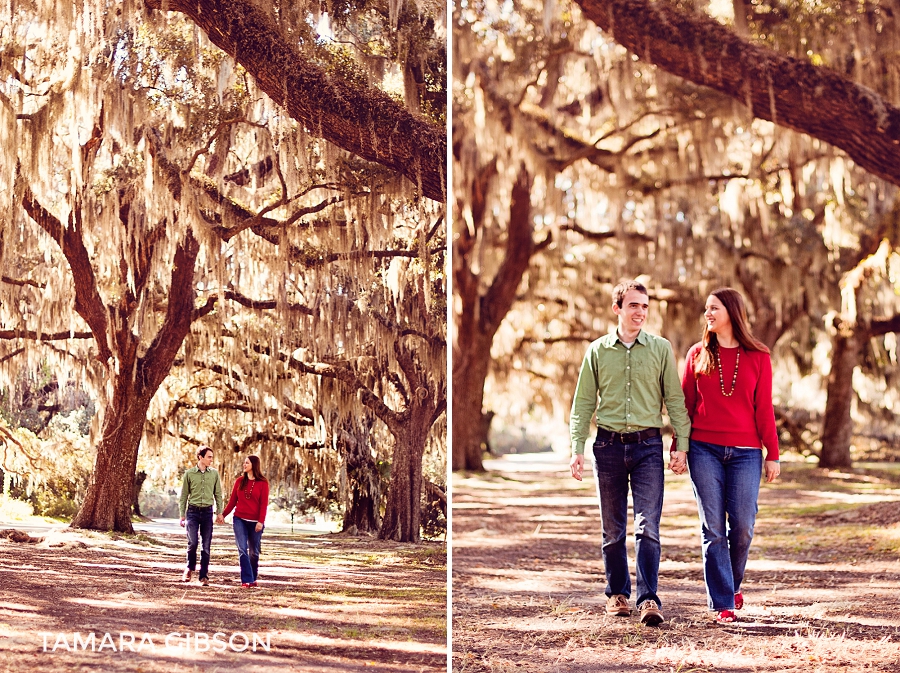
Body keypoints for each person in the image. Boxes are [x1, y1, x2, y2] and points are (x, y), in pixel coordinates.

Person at [569, 280, 691, 626]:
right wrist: (577, 448)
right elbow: (582, 405)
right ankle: (618, 595)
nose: (640, 312)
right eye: (633, 305)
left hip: (648, 447)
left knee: (648, 526)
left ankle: (649, 599)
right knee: (612, 530)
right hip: (607, 447)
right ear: (617, 309)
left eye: (645, 306)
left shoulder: (661, 349)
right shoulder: (597, 351)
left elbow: (675, 401)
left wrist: (681, 444)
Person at [681, 287, 780, 624]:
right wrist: (679, 446)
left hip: (746, 453)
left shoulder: (759, 356)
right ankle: (723, 601)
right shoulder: (697, 354)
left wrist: (773, 453)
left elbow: (763, 408)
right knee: (713, 528)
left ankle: (732, 584)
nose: (708, 314)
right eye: (706, 309)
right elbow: (685, 407)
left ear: (732, 312)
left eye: (715, 308)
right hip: (703, 449)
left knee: (743, 526)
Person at [179, 446, 225, 586]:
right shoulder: (189, 474)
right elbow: (184, 496)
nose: (211, 459)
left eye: (212, 457)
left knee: (206, 545)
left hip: (207, 513)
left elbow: (218, 494)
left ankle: (203, 576)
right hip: (192, 512)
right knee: (192, 543)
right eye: (209, 457)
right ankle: (189, 568)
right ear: (201, 457)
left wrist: (219, 512)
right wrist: (182, 515)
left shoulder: (214, 474)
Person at [223, 455, 270, 588]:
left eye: (247, 463)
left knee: (253, 552)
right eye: (244, 463)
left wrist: (260, 521)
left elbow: (263, 504)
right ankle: (246, 580)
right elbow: (232, 501)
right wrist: (222, 515)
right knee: (242, 549)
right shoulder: (239, 481)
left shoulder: (263, 483)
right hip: (239, 519)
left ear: (254, 465)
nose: (244, 465)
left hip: (255, 522)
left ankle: (253, 577)